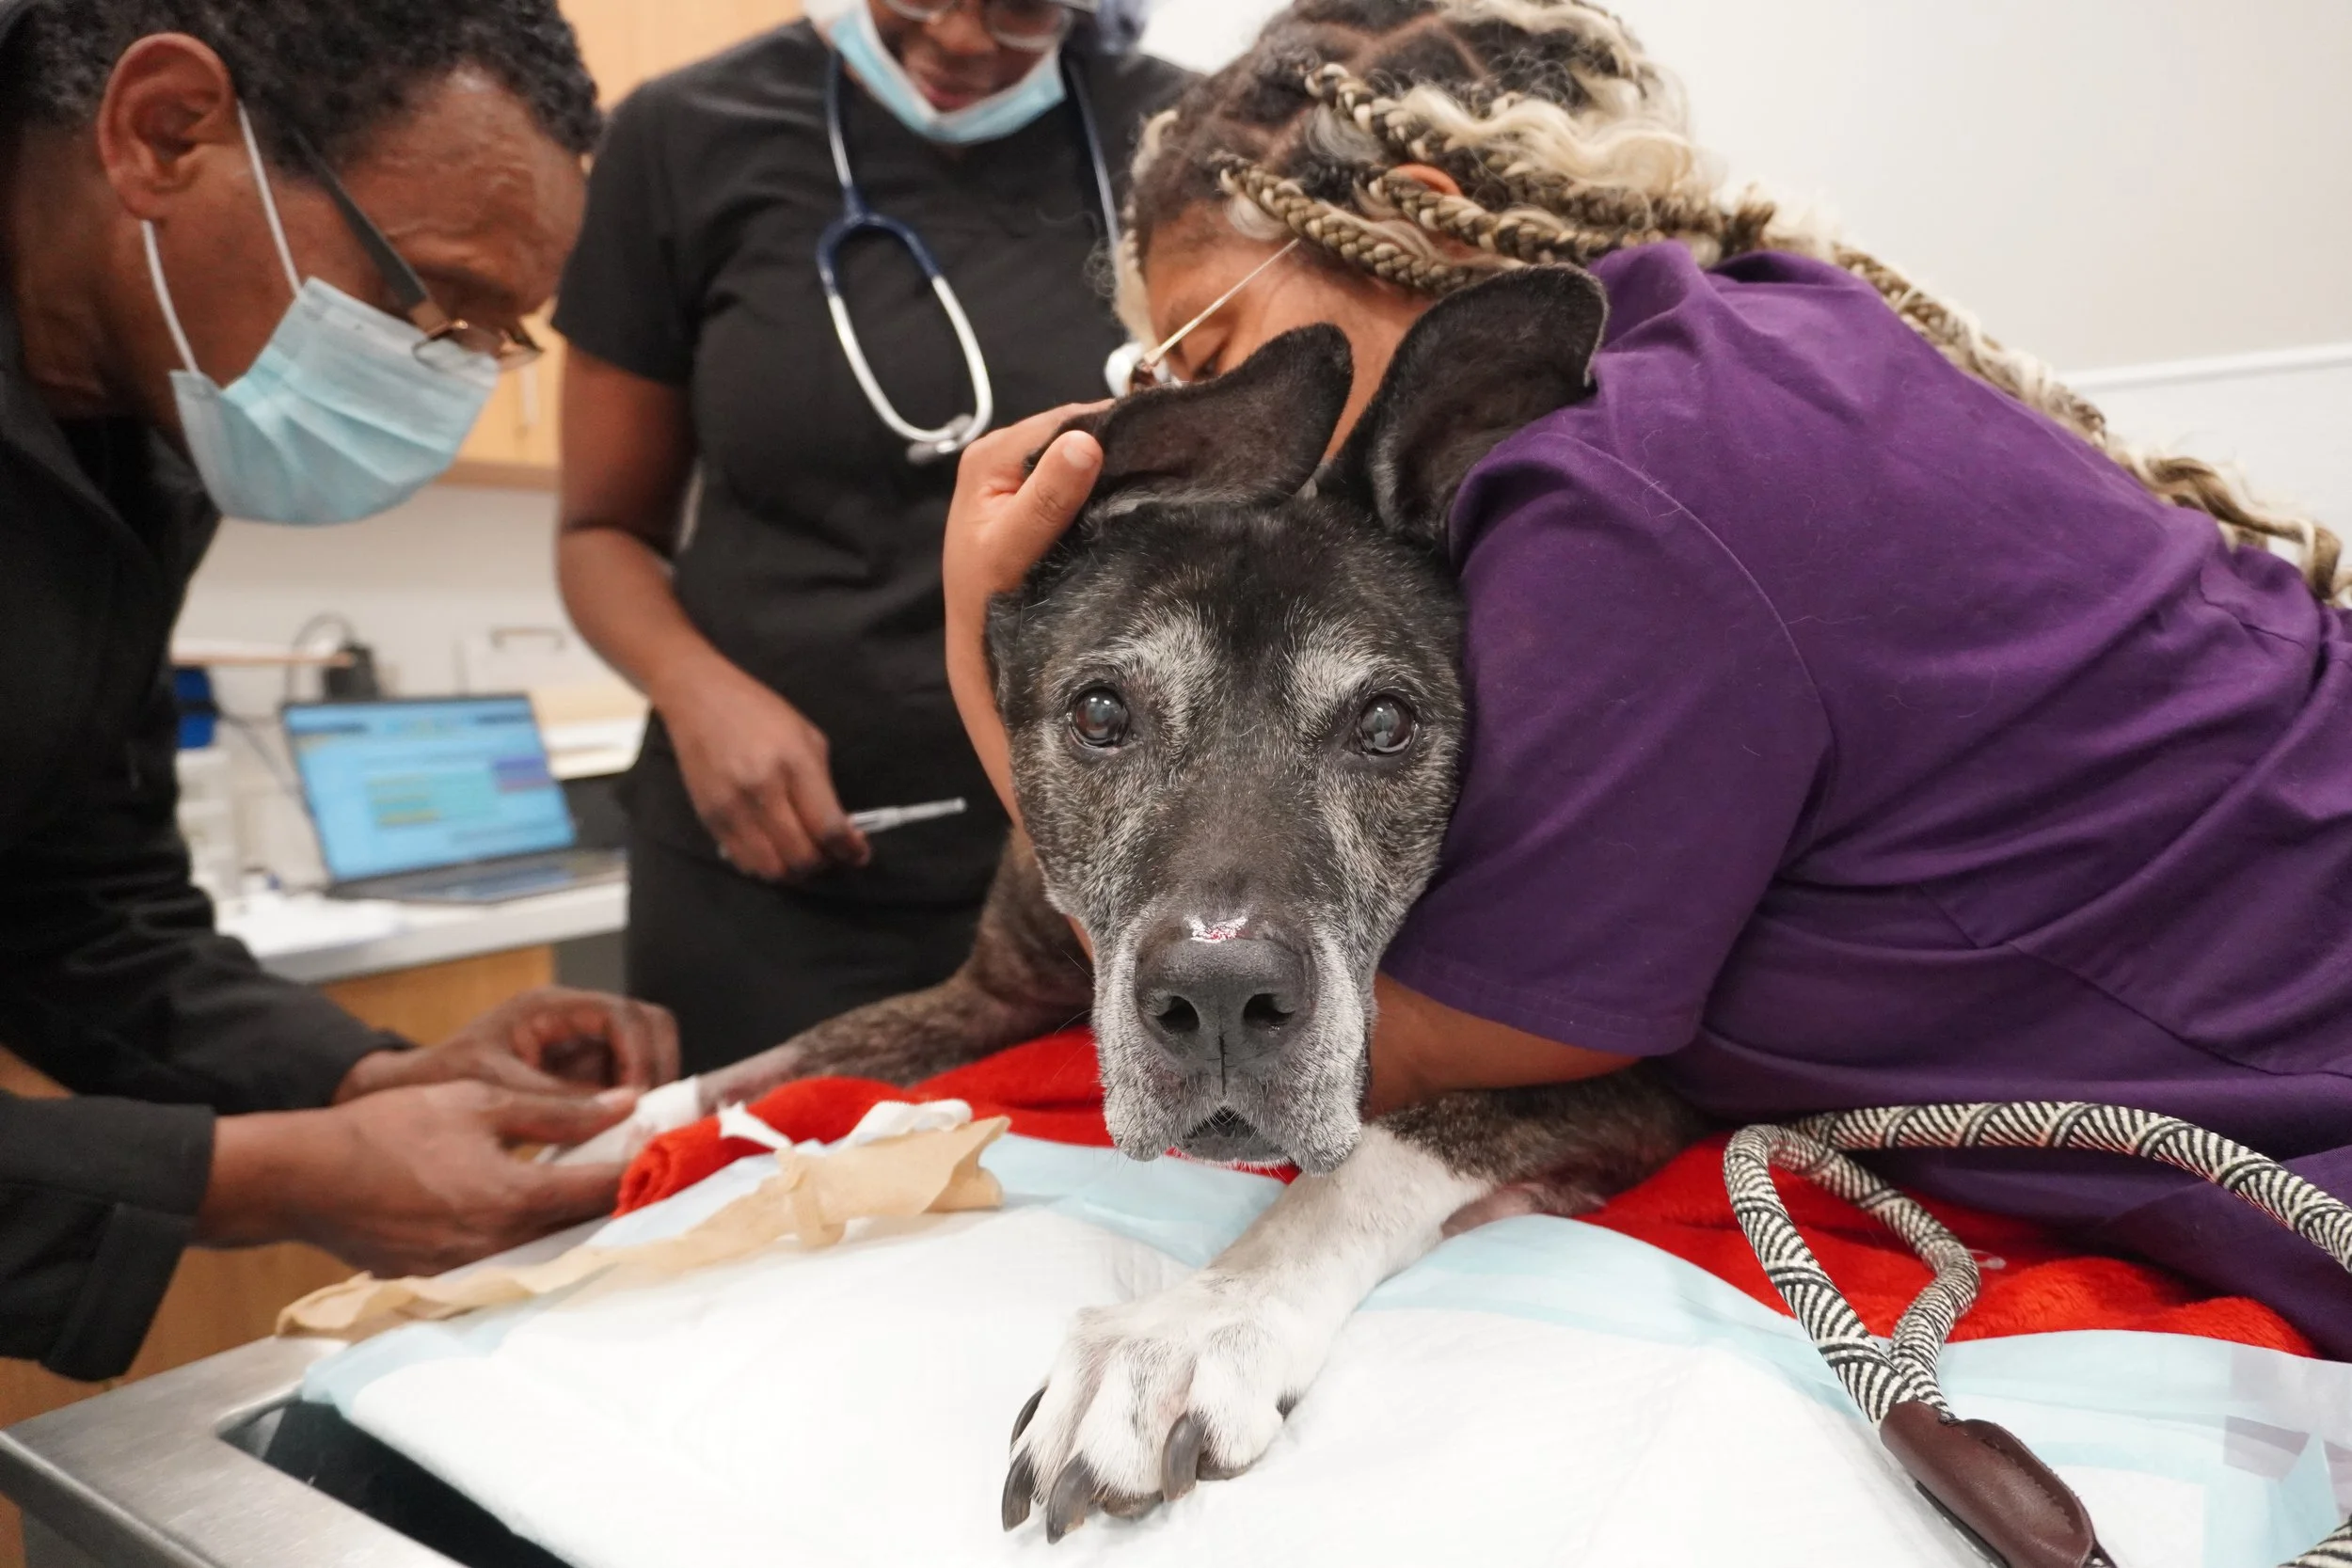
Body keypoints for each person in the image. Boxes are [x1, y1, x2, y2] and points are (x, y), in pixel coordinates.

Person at [940, 0, 2352, 1355]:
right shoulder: (1728, 337)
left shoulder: (1623, 505)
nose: (1204, 422)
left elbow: (1376, 1049)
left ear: (1412, 217)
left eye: (1206, 347)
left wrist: (984, 630)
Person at [0, 0, 682, 1384]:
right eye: (425, 300)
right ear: (164, 132)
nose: (450, 383)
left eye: (497, 337)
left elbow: (80, 900)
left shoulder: (142, 442)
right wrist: (264, 1174)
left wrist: (356, 1077)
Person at [552, 0, 1189, 1073]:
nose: (953, 38)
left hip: (1090, 875)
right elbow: (598, 529)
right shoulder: (686, 132)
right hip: (767, 885)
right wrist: (696, 692)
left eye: (1018, 9)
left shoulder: (1177, 142)